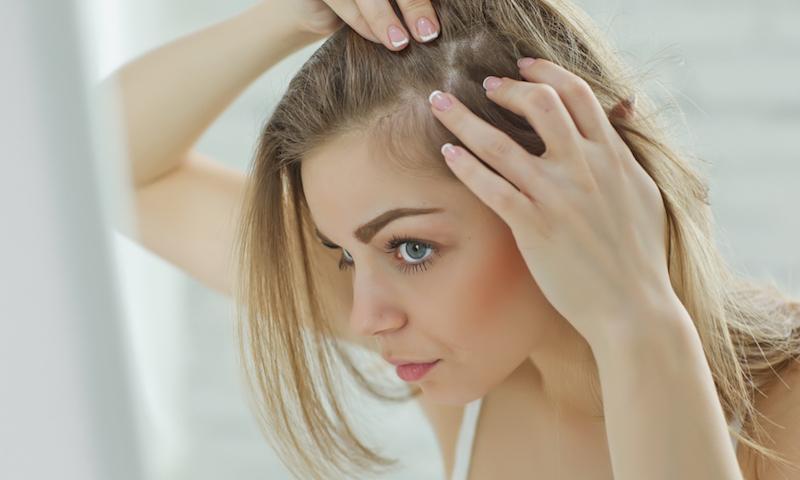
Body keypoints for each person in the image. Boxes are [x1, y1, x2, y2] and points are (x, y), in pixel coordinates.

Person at [107, 0, 800, 479]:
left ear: (591, 177)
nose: (364, 315)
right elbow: (105, 171)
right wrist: (294, 14)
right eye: (345, 253)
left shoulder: (784, 406)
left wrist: (637, 319)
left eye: (411, 248)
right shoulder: (469, 375)